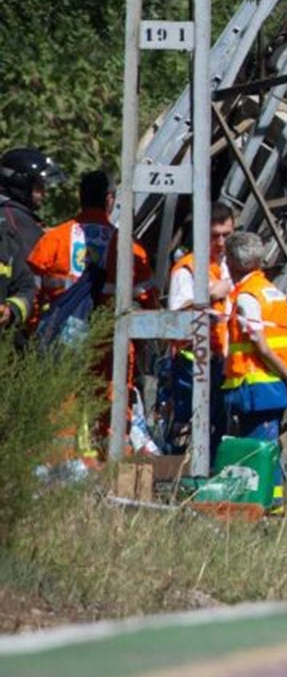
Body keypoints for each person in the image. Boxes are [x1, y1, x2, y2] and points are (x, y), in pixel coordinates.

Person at [25, 170, 147, 327]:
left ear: (80, 197)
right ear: (109, 200)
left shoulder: (53, 239)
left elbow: (31, 293)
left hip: (61, 343)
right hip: (110, 343)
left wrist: (37, 331)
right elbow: (147, 298)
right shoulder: (127, 247)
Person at [221, 230, 287, 443]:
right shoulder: (273, 293)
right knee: (267, 452)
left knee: (256, 455)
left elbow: (261, 345)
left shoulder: (247, 297)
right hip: (274, 386)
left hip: (255, 388)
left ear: (231, 261)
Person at [164, 202, 235, 452]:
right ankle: (177, 484)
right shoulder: (187, 269)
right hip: (192, 363)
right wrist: (211, 294)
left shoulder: (228, 267)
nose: (222, 242)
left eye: (227, 235)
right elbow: (176, 318)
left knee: (218, 429)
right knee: (186, 429)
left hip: (222, 362)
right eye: (216, 235)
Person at [0, 148, 63, 329]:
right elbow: (31, 281)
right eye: (39, 187)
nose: (44, 193)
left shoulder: (12, 217)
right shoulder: (20, 223)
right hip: (19, 331)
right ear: (21, 184)